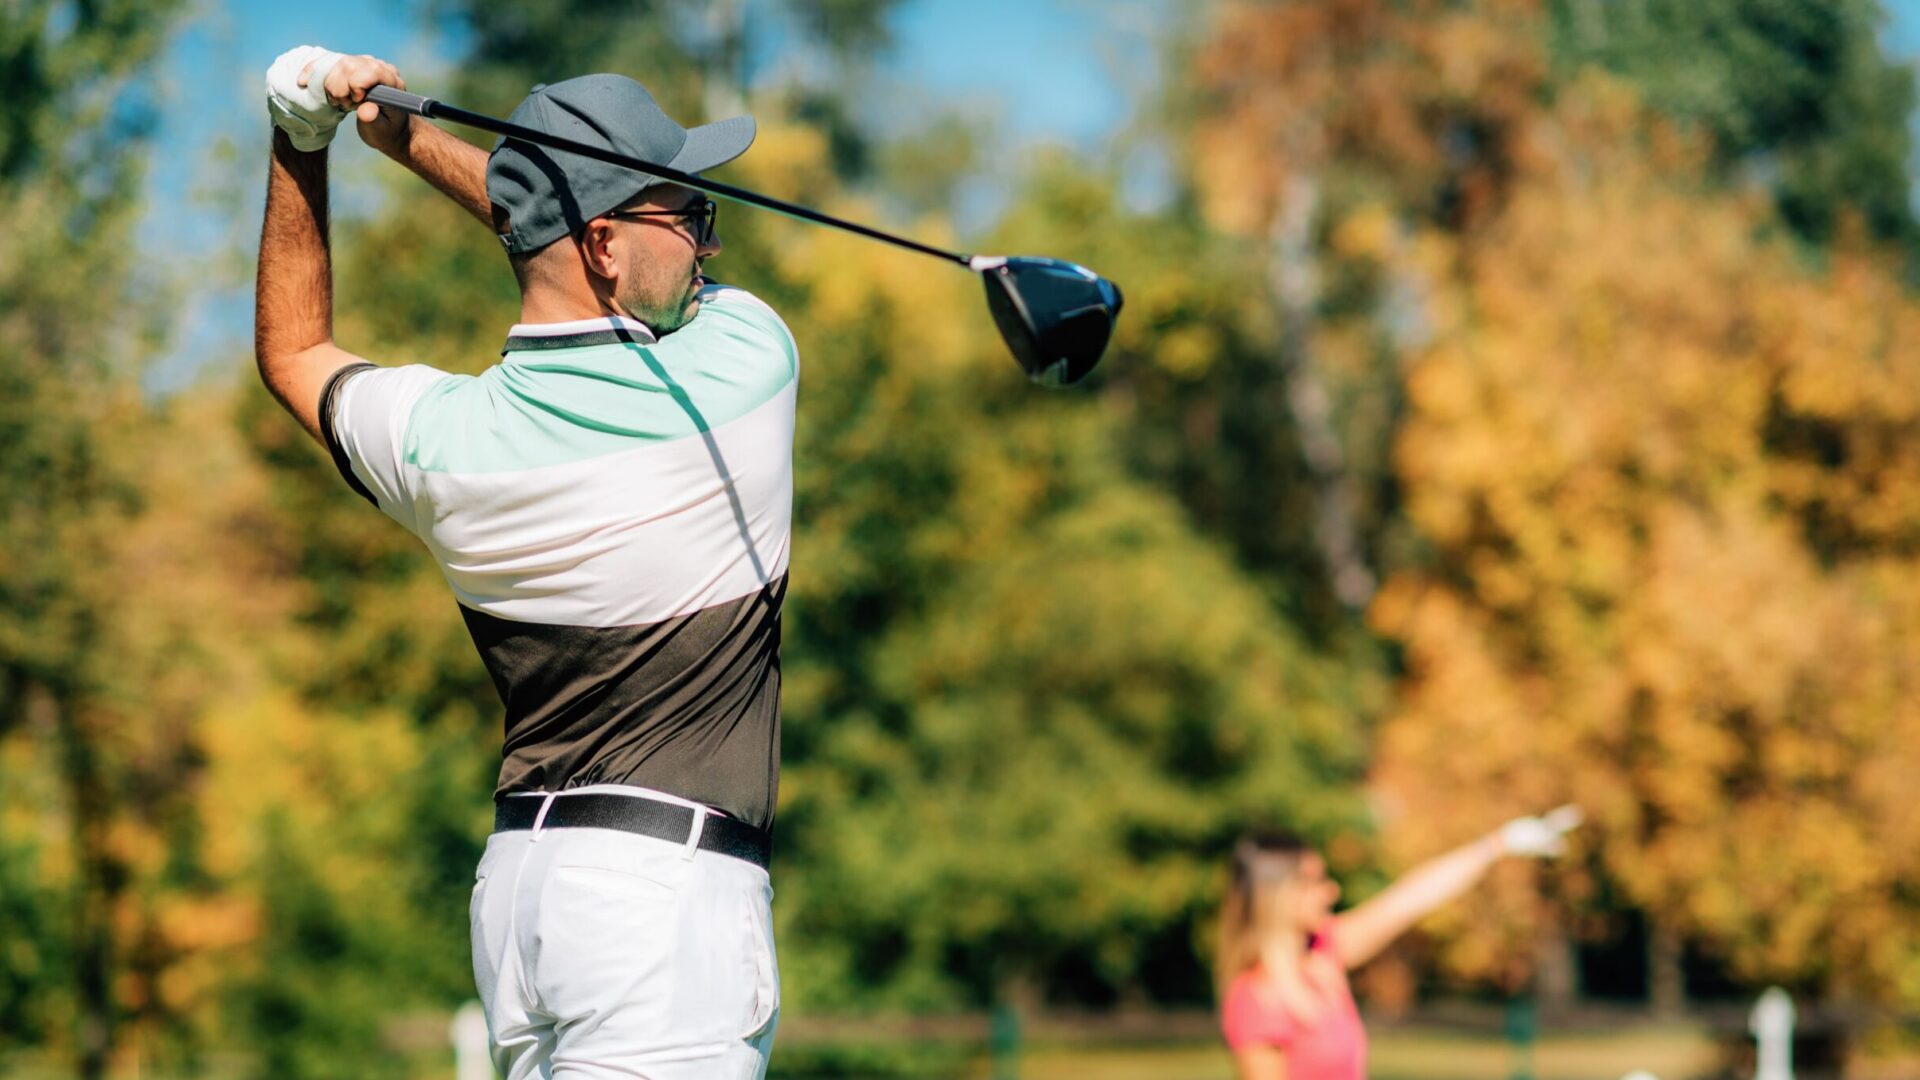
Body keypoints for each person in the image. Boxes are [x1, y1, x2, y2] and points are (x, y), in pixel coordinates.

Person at [257, 45, 794, 1079]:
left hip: (523, 898)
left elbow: (294, 353)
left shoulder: (441, 444)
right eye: (683, 211)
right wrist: (415, 146)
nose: (705, 245)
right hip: (662, 914)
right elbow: (546, 234)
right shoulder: (742, 369)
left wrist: (301, 140)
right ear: (603, 243)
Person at [1217, 807, 1583, 1080]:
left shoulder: (1324, 954)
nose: (1332, 891)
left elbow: (1411, 898)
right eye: (1316, 882)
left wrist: (1498, 844)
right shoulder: (1255, 1001)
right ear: (1280, 896)